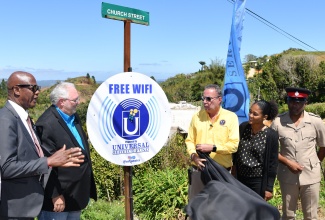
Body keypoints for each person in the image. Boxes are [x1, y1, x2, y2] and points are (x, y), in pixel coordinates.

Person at [0, 71, 84, 220]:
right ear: (17, 90)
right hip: (14, 211)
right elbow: (7, 167)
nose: (38, 92)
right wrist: (48, 161)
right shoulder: (6, 120)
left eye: (37, 87)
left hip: (28, 208)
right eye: (33, 88)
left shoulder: (25, 119)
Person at [36, 82, 97, 220]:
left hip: (75, 196)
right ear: (61, 102)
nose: (78, 102)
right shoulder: (46, 124)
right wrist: (55, 194)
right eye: (74, 100)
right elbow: (46, 164)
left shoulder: (73, 117)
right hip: (58, 201)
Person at [271, 87, 325, 220]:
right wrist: (287, 162)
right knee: (288, 214)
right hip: (287, 175)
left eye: (299, 102)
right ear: (287, 101)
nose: (295, 105)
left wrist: (314, 162)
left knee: (311, 215)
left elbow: (323, 146)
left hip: (311, 175)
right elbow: (272, 150)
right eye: (291, 101)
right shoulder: (278, 122)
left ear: (305, 103)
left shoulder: (315, 121)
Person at [185, 84, 239, 200]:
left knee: (220, 208)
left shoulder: (231, 117)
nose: (205, 102)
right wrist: (194, 156)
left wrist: (213, 148)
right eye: (203, 98)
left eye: (209, 99)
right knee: (197, 207)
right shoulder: (197, 117)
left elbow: (234, 145)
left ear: (220, 99)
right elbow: (189, 140)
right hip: (199, 171)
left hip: (221, 172)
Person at [232, 100, 279, 201]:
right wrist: (233, 171)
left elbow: (272, 163)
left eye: (255, 114)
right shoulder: (243, 128)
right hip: (240, 179)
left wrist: (269, 188)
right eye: (250, 112)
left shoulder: (271, 135)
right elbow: (235, 152)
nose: (250, 115)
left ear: (264, 117)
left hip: (257, 182)